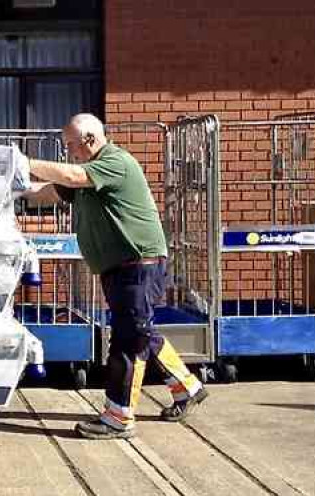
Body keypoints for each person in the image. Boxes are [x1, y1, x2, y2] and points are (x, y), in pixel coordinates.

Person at [21, 113, 208, 439]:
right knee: (139, 332)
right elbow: (48, 192)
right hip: (121, 266)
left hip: (138, 264)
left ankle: (118, 417)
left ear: (90, 140)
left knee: (126, 342)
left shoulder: (115, 162)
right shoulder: (87, 174)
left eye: (71, 145)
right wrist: (10, 187)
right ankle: (187, 387)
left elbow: (73, 175)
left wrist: (24, 161)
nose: (69, 151)